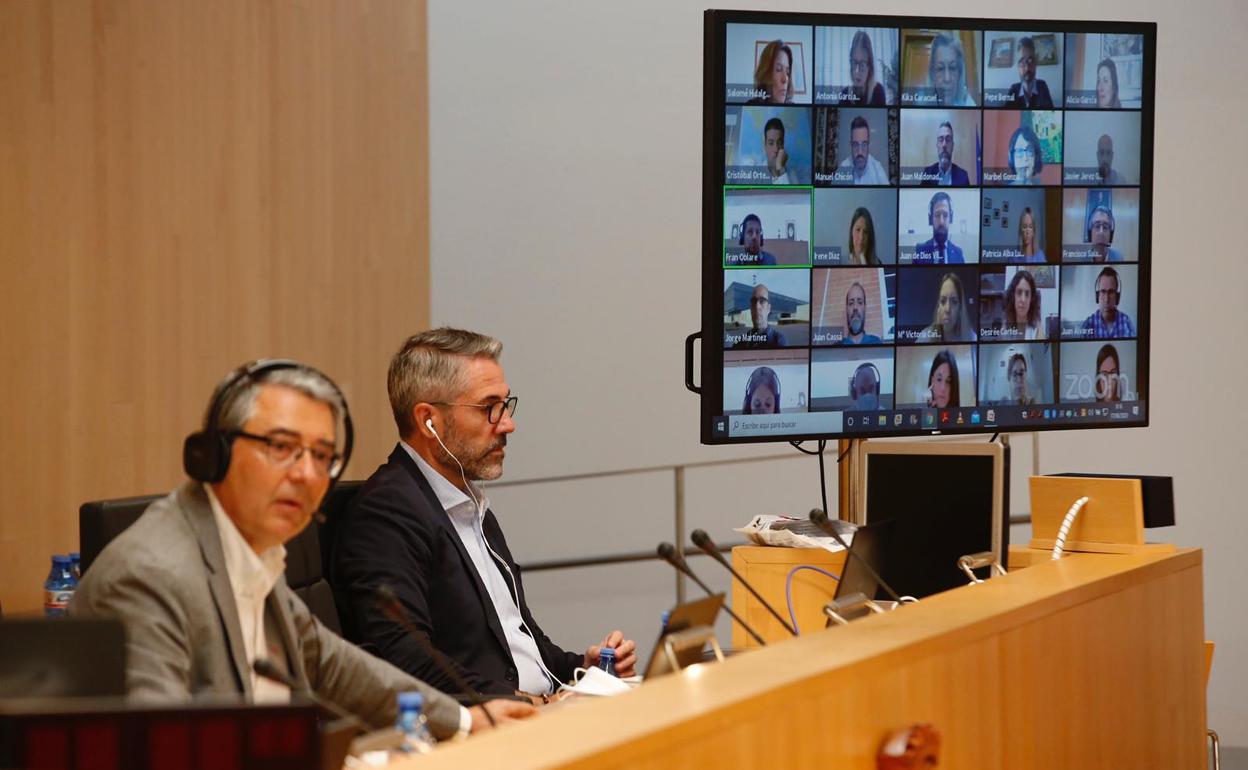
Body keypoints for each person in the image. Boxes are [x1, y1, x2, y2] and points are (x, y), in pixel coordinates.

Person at [70, 361, 534, 739]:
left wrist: (468, 720)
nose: (306, 474)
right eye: (282, 447)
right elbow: (157, 749)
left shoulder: (245, 555)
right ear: (214, 454)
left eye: (321, 455)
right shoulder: (149, 576)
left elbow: (332, 664)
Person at [333, 330, 636, 702]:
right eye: (489, 407)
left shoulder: (469, 503)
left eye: (506, 405)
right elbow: (404, 657)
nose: (507, 423)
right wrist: (522, 701)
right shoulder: (386, 514)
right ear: (429, 421)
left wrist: (585, 669)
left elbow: (518, 640)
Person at [1080, 267, 1136, 338]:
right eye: (1103, 291)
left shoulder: (1126, 322)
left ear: (1117, 296)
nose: (1106, 299)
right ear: (1097, 295)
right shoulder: (1088, 325)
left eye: (1111, 292)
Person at [921, 272, 977, 342]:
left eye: (954, 302)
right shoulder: (924, 337)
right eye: (943, 301)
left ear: (960, 308)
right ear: (938, 305)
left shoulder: (972, 337)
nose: (947, 309)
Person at [913, 192, 965, 264]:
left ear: (951, 218)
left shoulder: (958, 253)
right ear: (931, 219)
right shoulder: (920, 250)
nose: (941, 222)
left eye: (945, 215)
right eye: (937, 215)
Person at [927, 33, 976, 106]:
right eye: (940, 69)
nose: (947, 79)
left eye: (952, 68)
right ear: (932, 74)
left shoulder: (968, 103)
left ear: (959, 73)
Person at [837, 116, 890, 185]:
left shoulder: (877, 168)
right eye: (856, 145)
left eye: (864, 145)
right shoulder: (843, 168)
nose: (860, 152)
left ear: (869, 145)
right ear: (851, 145)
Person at [1004, 37, 1054, 108]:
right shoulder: (1013, 89)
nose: (1027, 68)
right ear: (1018, 66)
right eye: (1022, 61)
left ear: (1035, 64)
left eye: (1031, 61)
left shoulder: (1042, 86)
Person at [840, 30, 886, 106]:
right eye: (854, 63)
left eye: (862, 64)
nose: (857, 71)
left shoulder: (878, 91)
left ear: (869, 67)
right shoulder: (844, 93)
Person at [733, 284, 787, 348]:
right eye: (753, 301)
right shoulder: (739, 341)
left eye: (762, 301)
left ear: (768, 308)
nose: (757, 307)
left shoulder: (778, 341)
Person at [920, 122, 971, 186]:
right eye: (941, 140)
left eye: (948, 140)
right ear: (937, 145)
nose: (944, 145)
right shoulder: (927, 173)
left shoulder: (963, 176)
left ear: (953, 145)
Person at [1003, 269, 1045, 340]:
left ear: (1031, 299)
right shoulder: (1004, 327)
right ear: (1013, 296)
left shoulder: (1037, 328)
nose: (1023, 300)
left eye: (1027, 294)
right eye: (1019, 293)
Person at [750, 40, 793, 104]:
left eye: (787, 72)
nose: (785, 79)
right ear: (765, 74)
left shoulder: (794, 109)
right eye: (778, 69)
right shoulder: (750, 106)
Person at [762, 117, 791, 184]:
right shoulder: (755, 174)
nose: (776, 149)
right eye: (771, 143)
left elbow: (790, 194)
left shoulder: (791, 174)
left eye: (779, 143)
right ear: (765, 145)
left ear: (783, 144)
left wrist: (780, 168)